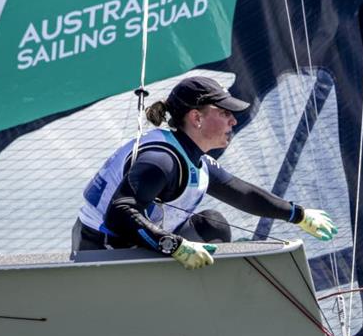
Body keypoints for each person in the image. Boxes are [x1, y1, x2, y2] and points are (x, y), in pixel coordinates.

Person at [73, 76, 337, 269]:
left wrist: (299, 215)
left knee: (213, 224)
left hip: (139, 239)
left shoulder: (193, 157)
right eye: (224, 113)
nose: (233, 120)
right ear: (196, 118)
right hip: (102, 248)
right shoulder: (160, 159)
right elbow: (119, 213)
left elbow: (243, 194)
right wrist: (173, 245)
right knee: (197, 234)